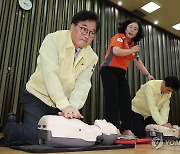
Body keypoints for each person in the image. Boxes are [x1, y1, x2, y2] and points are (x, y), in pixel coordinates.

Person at [3, 10, 101, 145]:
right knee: (34, 136)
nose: (87, 35)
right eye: (83, 29)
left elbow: (83, 84)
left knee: (59, 138)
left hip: (60, 105)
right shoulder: (53, 39)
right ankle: (10, 126)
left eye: (92, 32)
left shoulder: (92, 57)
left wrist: (72, 107)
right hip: (36, 96)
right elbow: (50, 74)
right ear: (72, 26)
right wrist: (65, 105)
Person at [99, 18, 154, 137]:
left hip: (121, 73)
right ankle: (113, 127)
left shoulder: (132, 45)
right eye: (130, 27)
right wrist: (131, 50)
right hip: (108, 69)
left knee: (126, 101)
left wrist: (148, 75)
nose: (132, 30)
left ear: (137, 33)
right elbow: (116, 51)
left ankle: (126, 129)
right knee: (112, 99)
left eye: (135, 29)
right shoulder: (119, 37)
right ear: (125, 27)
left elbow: (138, 62)